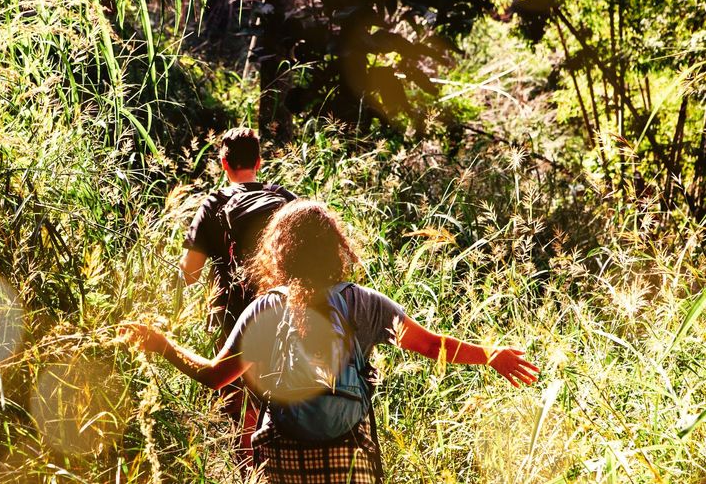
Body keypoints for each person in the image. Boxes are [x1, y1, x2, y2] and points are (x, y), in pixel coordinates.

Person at [124, 200, 539, 482]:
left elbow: (215, 376)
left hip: (282, 456)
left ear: (277, 252)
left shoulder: (267, 308)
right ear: (337, 248)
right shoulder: (364, 303)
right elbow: (432, 346)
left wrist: (162, 344)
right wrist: (491, 356)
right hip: (349, 457)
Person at [178, 127, 296, 468]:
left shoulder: (214, 203)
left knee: (241, 415)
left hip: (230, 321)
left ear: (222, 163)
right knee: (280, 407)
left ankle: (250, 473)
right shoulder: (285, 200)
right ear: (259, 162)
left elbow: (191, 273)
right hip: (280, 316)